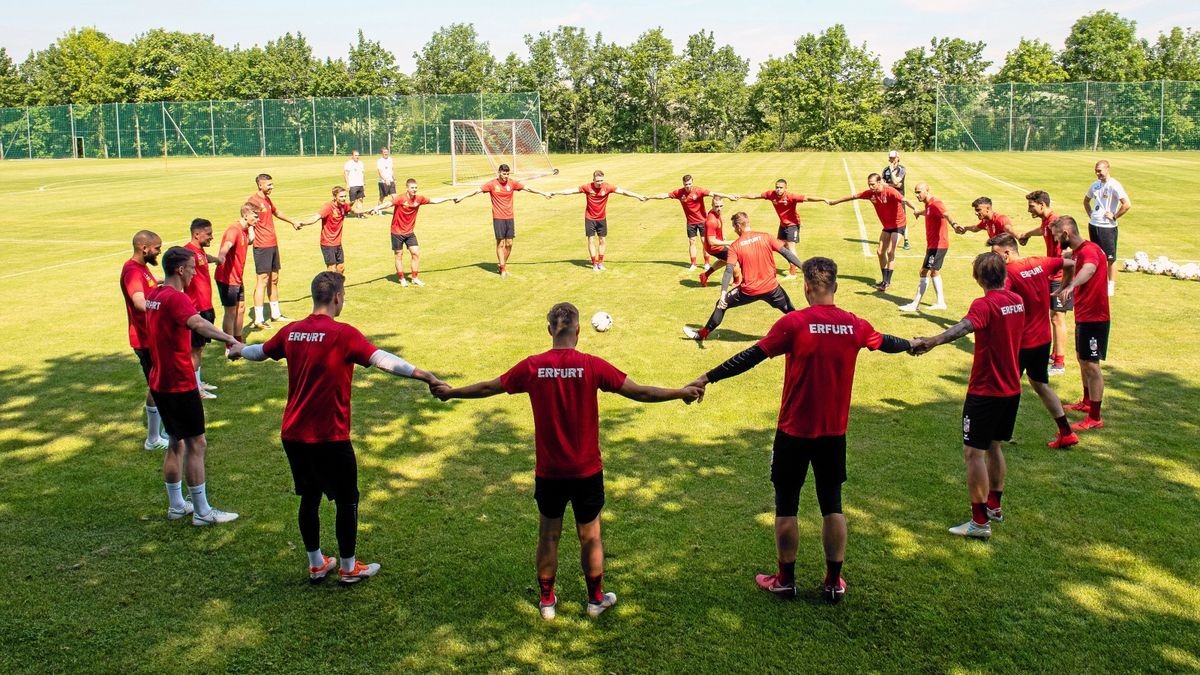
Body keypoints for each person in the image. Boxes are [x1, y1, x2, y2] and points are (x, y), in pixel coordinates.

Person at [431, 302, 701, 619]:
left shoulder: (532, 367)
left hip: (550, 472)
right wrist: (680, 392)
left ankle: (547, 603)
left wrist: (451, 392)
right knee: (591, 536)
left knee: (548, 535)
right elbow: (639, 392)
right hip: (587, 470)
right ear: (578, 330)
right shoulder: (591, 365)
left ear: (550, 330)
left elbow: (490, 386)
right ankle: (595, 601)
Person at [688, 256, 912, 602]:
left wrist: (707, 376)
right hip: (833, 434)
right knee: (832, 504)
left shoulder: (794, 323)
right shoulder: (855, 324)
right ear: (835, 287)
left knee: (787, 505)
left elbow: (751, 356)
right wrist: (915, 344)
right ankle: (833, 583)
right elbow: (887, 341)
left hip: (793, 431)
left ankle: (785, 580)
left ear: (806, 287)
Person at [229, 271, 445, 585]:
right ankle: (347, 567)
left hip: (293, 434)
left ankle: (317, 564)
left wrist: (237, 349)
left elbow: (259, 352)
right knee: (347, 499)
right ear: (337, 298)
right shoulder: (343, 334)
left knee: (309, 498)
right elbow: (382, 359)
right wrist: (425, 375)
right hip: (329, 436)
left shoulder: (292, 331)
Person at [911, 253, 1026, 540]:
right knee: (995, 446)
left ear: (978, 279)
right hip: (1011, 388)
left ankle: (979, 522)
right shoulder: (1016, 300)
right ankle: (994, 508)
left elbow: (964, 327)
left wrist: (931, 341)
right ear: (1004, 275)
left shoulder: (984, 304)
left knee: (974, 453)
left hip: (986, 390)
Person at [146, 247, 241, 526]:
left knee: (175, 442)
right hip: (178, 383)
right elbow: (198, 323)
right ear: (179, 270)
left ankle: (177, 505)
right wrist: (230, 339)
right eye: (190, 268)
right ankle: (202, 511)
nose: (193, 273)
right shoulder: (177, 299)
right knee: (196, 443)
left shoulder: (155, 294)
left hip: (159, 381)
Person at [987, 233, 1079, 449]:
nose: (994, 259)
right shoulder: (1039, 262)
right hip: (1043, 339)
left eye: (996, 255)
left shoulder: (1009, 274)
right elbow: (1069, 262)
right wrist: (1065, 287)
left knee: (1005, 385)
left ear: (1007, 253)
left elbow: (999, 301)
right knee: (1040, 384)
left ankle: (995, 433)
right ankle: (1066, 432)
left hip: (1021, 343)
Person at [682, 212, 805, 343]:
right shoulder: (766, 237)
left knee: (721, 305)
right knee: (791, 312)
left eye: (734, 227)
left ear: (739, 226)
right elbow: (786, 253)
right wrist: (804, 268)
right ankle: (806, 332)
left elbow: (729, 270)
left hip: (749, 291)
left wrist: (723, 292)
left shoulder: (735, 246)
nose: (734, 230)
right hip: (772, 289)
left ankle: (702, 334)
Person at [1052, 215, 1110, 432]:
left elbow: (1089, 270)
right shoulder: (1077, 252)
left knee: (1092, 365)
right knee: (1082, 358)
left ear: (1066, 234)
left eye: (1058, 236)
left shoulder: (1089, 251)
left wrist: (1071, 286)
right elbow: (1072, 267)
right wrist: (1062, 287)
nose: (1057, 241)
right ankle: (1087, 402)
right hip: (1085, 315)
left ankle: (1095, 416)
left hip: (1096, 316)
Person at [455, 164, 552, 278]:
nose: (505, 176)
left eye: (507, 174)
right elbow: (477, 191)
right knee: (500, 243)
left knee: (509, 244)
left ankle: (501, 265)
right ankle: (503, 269)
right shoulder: (492, 184)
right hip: (498, 218)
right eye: (503, 174)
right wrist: (462, 197)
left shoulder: (512, 183)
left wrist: (543, 193)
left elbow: (528, 188)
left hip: (510, 217)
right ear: (499, 173)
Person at [826, 173, 917, 291]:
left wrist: (915, 208)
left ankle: (887, 282)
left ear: (879, 182)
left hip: (898, 224)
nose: (870, 187)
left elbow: (905, 200)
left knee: (890, 251)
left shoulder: (890, 191)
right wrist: (835, 201)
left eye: (872, 184)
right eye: (869, 184)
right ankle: (884, 280)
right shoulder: (870, 194)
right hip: (887, 226)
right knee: (880, 252)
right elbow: (853, 196)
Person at [120, 230, 169, 450]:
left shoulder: (142, 269)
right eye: (157, 248)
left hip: (153, 337)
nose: (159, 251)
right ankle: (153, 439)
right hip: (144, 339)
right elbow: (139, 300)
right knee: (155, 386)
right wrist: (162, 306)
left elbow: (149, 283)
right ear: (144, 248)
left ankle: (164, 430)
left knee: (161, 384)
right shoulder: (131, 271)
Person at [548, 170, 645, 271]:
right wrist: (555, 192)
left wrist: (638, 196)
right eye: (598, 181)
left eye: (601, 180)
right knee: (591, 239)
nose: (600, 183)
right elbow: (570, 191)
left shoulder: (607, 187)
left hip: (602, 218)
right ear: (593, 180)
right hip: (589, 218)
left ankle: (600, 263)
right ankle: (594, 263)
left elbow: (623, 191)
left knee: (602, 240)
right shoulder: (587, 187)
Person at [1017, 190, 1070, 375]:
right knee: (1053, 316)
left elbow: (1067, 247)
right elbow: (1043, 230)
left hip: (1061, 276)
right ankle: (1055, 354)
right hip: (1053, 275)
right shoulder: (1047, 222)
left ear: (1042, 204)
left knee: (1057, 318)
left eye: (1031, 206)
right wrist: (1028, 234)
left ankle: (1060, 363)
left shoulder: (1056, 222)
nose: (1029, 209)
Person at [733, 179, 829, 279]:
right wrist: (741, 196)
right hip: (783, 225)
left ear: (785, 188)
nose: (778, 189)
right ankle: (795, 264)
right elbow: (755, 196)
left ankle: (793, 273)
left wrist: (824, 199)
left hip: (793, 225)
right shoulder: (771, 194)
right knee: (782, 246)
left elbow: (807, 198)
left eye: (781, 187)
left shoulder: (791, 196)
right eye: (777, 187)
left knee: (791, 247)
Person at [371, 178, 455, 287]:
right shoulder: (400, 198)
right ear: (407, 188)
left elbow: (434, 200)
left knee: (415, 253)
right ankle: (401, 279)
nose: (414, 190)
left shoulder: (419, 199)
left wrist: (449, 198)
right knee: (399, 255)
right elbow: (388, 204)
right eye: (412, 188)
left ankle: (415, 278)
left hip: (410, 232)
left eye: (416, 188)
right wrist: (377, 207)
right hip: (397, 232)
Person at [646, 175, 737, 272]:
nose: (688, 186)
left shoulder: (699, 191)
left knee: (704, 242)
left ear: (692, 183)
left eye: (689, 184)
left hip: (703, 221)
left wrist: (728, 196)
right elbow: (664, 195)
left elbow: (714, 193)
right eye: (686, 184)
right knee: (692, 242)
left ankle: (706, 263)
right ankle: (693, 264)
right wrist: (649, 197)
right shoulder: (679, 193)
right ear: (683, 184)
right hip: (690, 222)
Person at [247, 173, 299, 330]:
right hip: (262, 246)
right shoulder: (253, 201)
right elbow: (248, 220)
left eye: (272, 184)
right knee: (262, 280)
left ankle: (275, 314)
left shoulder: (267, 199)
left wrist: (292, 221)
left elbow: (276, 212)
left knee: (274, 279)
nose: (272, 187)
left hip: (272, 244)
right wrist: (251, 235)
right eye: (269, 185)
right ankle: (258, 319)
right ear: (260, 185)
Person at [899, 182, 958, 312]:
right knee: (933, 272)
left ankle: (915, 304)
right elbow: (929, 212)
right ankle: (941, 302)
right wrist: (918, 212)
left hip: (938, 245)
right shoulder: (929, 205)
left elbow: (946, 213)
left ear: (927, 190)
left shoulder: (936, 202)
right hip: (933, 245)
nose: (917, 195)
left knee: (924, 272)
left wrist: (954, 224)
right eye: (915, 192)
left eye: (919, 192)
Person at [183, 218, 222, 400]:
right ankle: (195, 388)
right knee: (194, 350)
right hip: (196, 308)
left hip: (206, 306)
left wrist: (218, 260)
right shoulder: (187, 253)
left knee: (199, 349)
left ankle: (198, 382)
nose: (212, 237)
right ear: (197, 234)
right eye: (208, 234)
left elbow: (206, 258)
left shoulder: (199, 252)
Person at [1083, 159, 1132, 296]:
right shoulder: (1095, 185)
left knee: (1110, 258)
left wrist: (1115, 215)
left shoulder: (1114, 185)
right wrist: (1091, 214)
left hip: (1107, 227)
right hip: (1094, 224)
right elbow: (1086, 201)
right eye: (1096, 171)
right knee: (1096, 256)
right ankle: (1098, 283)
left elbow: (1127, 204)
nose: (1097, 173)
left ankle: (1110, 285)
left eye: (1100, 171)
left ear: (1107, 169)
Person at [297, 186, 370, 274]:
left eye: (345, 196)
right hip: (328, 243)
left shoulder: (344, 206)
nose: (344, 199)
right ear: (335, 197)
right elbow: (316, 217)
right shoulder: (328, 207)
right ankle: (331, 287)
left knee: (341, 268)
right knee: (332, 269)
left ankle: (338, 286)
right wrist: (303, 223)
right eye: (341, 197)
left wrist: (365, 211)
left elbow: (353, 210)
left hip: (338, 243)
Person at [214, 203, 258, 344]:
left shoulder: (245, 230)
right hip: (227, 278)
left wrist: (252, 227)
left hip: (237, 277)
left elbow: (249, 241)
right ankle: (229, 344)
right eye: (255, 216)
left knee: (241, 308)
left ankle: (238, 340)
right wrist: (221, 256)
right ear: (245, 215)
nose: (258, 219)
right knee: (231, 312)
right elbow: (227, 244)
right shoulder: (234, 230)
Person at [698, 197, 736, 287]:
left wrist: (722, 237)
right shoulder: (711, 221)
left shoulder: (715, 213)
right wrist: (728, 242)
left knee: (724, 260)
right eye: (716, 206)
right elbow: (711, 241)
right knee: (734, 259)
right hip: (714, 247)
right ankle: (737, 282)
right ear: (712, 206)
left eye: (721, 206)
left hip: (714, 245)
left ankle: (705, 275)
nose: (719, 208)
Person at [882, 151, 912, 250]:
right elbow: (882, 183)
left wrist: (891, 173)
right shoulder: (885, 170)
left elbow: (897, 183)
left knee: (902, 218)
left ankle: (906, 241)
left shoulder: (901, 169)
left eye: (894, 158)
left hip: (899, 197)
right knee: (889, 217)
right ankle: (891, 235)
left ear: (898, 158)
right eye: (890, 158)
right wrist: (890, 185)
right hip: (889, 197)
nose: (892, 160)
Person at [343, 150, 367, 214]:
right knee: (352, 201)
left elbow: (363, 174)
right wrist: (347, 184)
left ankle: (360, 214)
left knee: (360, 199)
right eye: (356, 155)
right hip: (352, 185)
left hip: (360, 184)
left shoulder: (361, 163)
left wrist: (364, 183)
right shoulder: (348, 163)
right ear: (352, 156)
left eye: (358, 155)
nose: (357, 157)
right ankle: (345, 210)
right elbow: (345, 174)